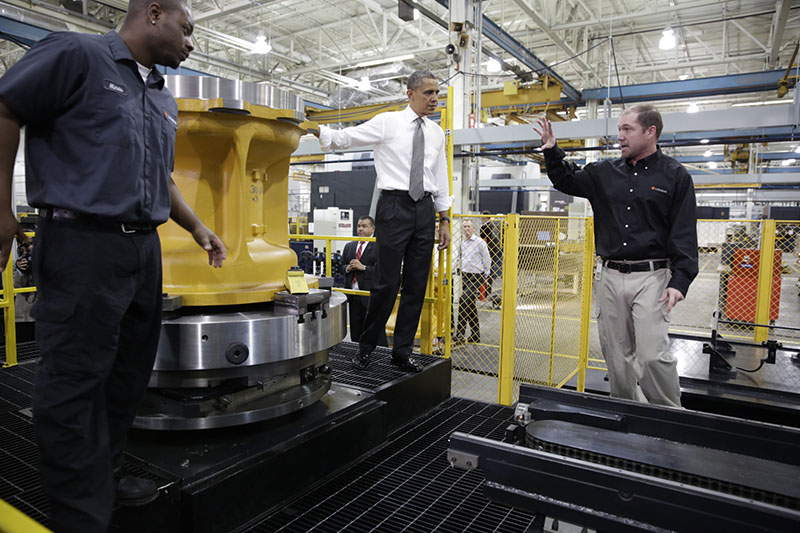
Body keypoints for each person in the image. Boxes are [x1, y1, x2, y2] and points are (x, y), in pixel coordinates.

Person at [0, 1, 227, 531]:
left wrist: (196, 228)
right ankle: (81, 513)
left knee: (126, 378)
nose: (192, 43)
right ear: (153, 13)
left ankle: (106, 473)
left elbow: (161, 179)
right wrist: (2, 212)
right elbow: (5, 108)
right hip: (82, 244)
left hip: (142, 250)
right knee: (74, 381)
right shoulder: (76, 55)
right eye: (187, 29)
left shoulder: (159, 97)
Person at [534, 104, 697, 408]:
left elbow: (684, 232)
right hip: (609, 276)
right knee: (616, 356)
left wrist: (681, 280)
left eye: (627, 129)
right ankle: (625, 413)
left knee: (651, 355)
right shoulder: (603, 173)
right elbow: (566, 180)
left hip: (652, 277)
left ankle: (670, 418)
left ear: (651, 132)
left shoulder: (675, 176)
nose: (619, 136)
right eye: (619, 129)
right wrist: (553, 151)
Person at [316, 70, 452, 373]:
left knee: (417, 284)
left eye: (437, 93)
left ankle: (401, 353)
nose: (434, 99)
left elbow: (440, 177)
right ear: (410, 94)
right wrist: (319, 131)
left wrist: (444, 218)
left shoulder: (435, 133)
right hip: (394, 206)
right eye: (428, 93)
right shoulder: (388, 122)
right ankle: (366, 348)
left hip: (424, 209)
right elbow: (345, 138)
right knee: (386, 283)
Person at [340, 216, 387, 345]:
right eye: (359, 226)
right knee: (355, 329)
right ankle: (357, 353)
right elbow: (341, 266)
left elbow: (383, 270)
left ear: (373, 228)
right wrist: (348, 268)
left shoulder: (379, 246)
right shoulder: (350, 246)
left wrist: (364, 268)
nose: (360, 229)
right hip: (353, 294)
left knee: (373, 328)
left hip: (370, 293)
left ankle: (378, 354)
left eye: (364, 226)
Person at [455, 220, 491, 344]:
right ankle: (475, 335)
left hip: (477, 277)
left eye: (468, 226)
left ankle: (460, 333)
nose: (466, 229)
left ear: (473, 228)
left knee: (463, 300)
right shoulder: (463, 243)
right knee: (470, 305)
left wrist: (486, 275)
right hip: (465, 276)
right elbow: (460, 257)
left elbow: (487, 259)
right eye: (464, 227)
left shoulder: (480, 243)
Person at [479, 210, 502, 307]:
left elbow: (483, 241)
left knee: (485, 273)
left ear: (484, 217)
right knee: (490, 273)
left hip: (487, 253)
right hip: (493, 253)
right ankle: (487, 293)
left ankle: (483, 294)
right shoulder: (494, 226)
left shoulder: (485, 227)